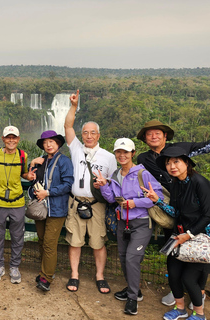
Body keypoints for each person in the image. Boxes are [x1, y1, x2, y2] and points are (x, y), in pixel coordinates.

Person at [136, 119, 210, 306]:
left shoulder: (184, 154)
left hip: (197, 218)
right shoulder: (143, 159)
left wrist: (192, 233)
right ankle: (177, 291)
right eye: (149, 134)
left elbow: (205, 147)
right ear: (144, 139)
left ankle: (198, 294)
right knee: (175, 256)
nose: (153, 136)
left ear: (165, 135)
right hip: (175, 213)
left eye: (157, 133)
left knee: (198, 260)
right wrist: (156, 200)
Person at [96, 138, 163, 315]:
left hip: (141, 223)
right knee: (124, 257)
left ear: (133, 153)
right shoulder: (116, 175)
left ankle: (132, 298)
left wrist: (136, 203)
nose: (122, 155)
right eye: (118, 152)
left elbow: (158, 197)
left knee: (132, 258)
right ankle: (135, 290)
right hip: (122, 223)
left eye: (126, 152)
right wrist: (104, 185)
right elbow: (111, 199)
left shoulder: (143, 174)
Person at [63, 90, 117, 293]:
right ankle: (74, 275)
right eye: (85, 132)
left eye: (93, 132)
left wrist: (104, 184)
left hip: (97, 206)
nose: (88, 136)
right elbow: (68, 125)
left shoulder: (108, 157)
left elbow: (114, 183)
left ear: (99, 135)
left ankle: (100, 276)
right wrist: (74, 106)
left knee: (98, 243)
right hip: (75, 202)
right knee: (75, 242)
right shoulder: (75, 148)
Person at [0, 125, 36, 284]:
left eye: (14, 137)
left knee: (17, 236)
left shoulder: (23, 155)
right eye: (8, 137)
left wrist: (30, 176)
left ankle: (14, 266)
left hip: (17, 202)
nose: (11, 140)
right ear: (3, 139)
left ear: (18, 139)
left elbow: (23, 173)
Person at [28, 130, 74, 292]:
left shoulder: (64, 161)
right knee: (41, 240)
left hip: (56, 208)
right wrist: (32, 166)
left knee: (49, 243)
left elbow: (68, 185)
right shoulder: (41, 161)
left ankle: (46, 277)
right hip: (41, 207)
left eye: (52, 142)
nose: (48, 145)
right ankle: (44, 271)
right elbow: (32, 179)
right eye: (45, 142)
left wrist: (47, 192)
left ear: (58, 144)